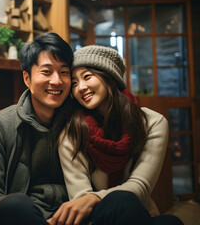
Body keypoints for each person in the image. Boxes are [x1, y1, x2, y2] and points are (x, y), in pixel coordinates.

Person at [48, 45, 183, 225]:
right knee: (122, 201)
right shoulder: (72, 131)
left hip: (135, 213)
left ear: (110, 77)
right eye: (74, 83)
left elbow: (140, 186)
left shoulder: (153, 123)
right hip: (94, 219)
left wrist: (95, 198)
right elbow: (80, 198)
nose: (80, 87)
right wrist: (94, 200)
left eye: (87, 77)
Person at [0, 32, 74, 225]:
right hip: (15, 217)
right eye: (46, 72)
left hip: (64, 216)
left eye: (64, 72)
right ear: (27, 79)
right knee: (16, 205)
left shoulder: (78, 123)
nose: (56, 81)